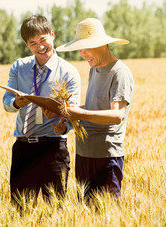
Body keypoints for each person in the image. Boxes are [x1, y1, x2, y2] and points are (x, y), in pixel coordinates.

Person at [50, 18, 134, 202]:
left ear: (102, 44)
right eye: (79, 49)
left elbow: (116, 116)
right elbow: (92, 108)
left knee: (108, 214)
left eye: (86, 48)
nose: (82, 53)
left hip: (106, 156)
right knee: (85, 214)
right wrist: (65, 114)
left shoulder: (120, 72)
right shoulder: (94, 69)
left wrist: (79, 113)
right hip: (84, 153)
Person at [2, 15, 81, 210]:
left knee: (55, 210)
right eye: (33, 43)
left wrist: (64, 124)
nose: (40, 47)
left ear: (52, 35)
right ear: (27, 45)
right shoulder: (19, 67)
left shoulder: (68, 72)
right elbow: (6, 103)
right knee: (20, 211)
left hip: (54, 149)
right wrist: (16, 103)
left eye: (43, 39)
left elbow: (73, 110)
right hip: (23, 148)